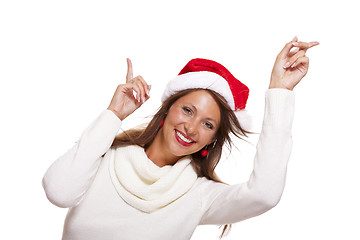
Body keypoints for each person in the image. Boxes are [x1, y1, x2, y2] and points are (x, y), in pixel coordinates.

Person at [42, 36, 319, 240]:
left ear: (212, 139)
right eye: (187, 110)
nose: (191, 128)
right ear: (167, 109)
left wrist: (280, 91)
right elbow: (58, 191)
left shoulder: (198, 196)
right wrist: (114, 114)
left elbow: (265, 194)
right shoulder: (101, 160)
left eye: (208, 124)